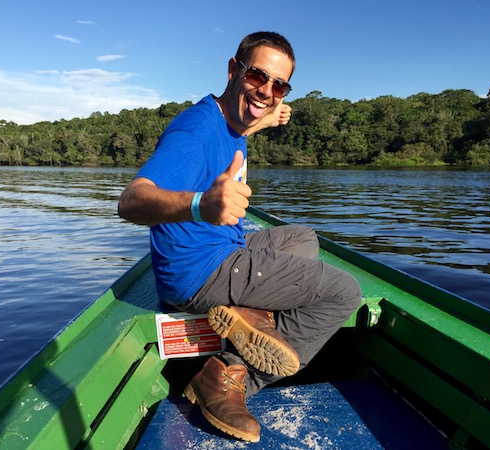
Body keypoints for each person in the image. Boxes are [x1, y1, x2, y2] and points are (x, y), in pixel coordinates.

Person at [118, 31, 362, 443]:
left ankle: (250, 315)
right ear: (234, 69)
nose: (266, 91)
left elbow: (251, 119)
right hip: (200, 273)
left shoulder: (230, 121)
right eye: (257, 76)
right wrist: (200, 204)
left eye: (279, 85)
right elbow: (130, 201)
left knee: (303, 240)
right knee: (343, 292)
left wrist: (271, 115)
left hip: (221, 250)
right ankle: (228, 375)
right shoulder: (194, 133)